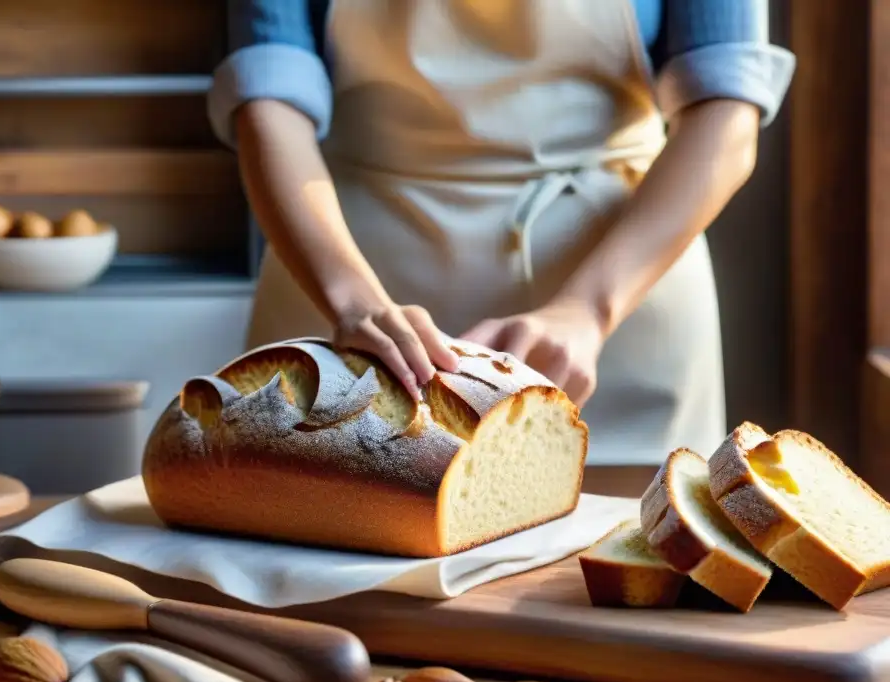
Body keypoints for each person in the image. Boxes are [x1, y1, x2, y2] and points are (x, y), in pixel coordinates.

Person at [208, 0, 795, 465]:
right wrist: (352, 301)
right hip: (349, 290)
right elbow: (269, 101)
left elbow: (725, 112)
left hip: (620, 297)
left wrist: (589, 311)